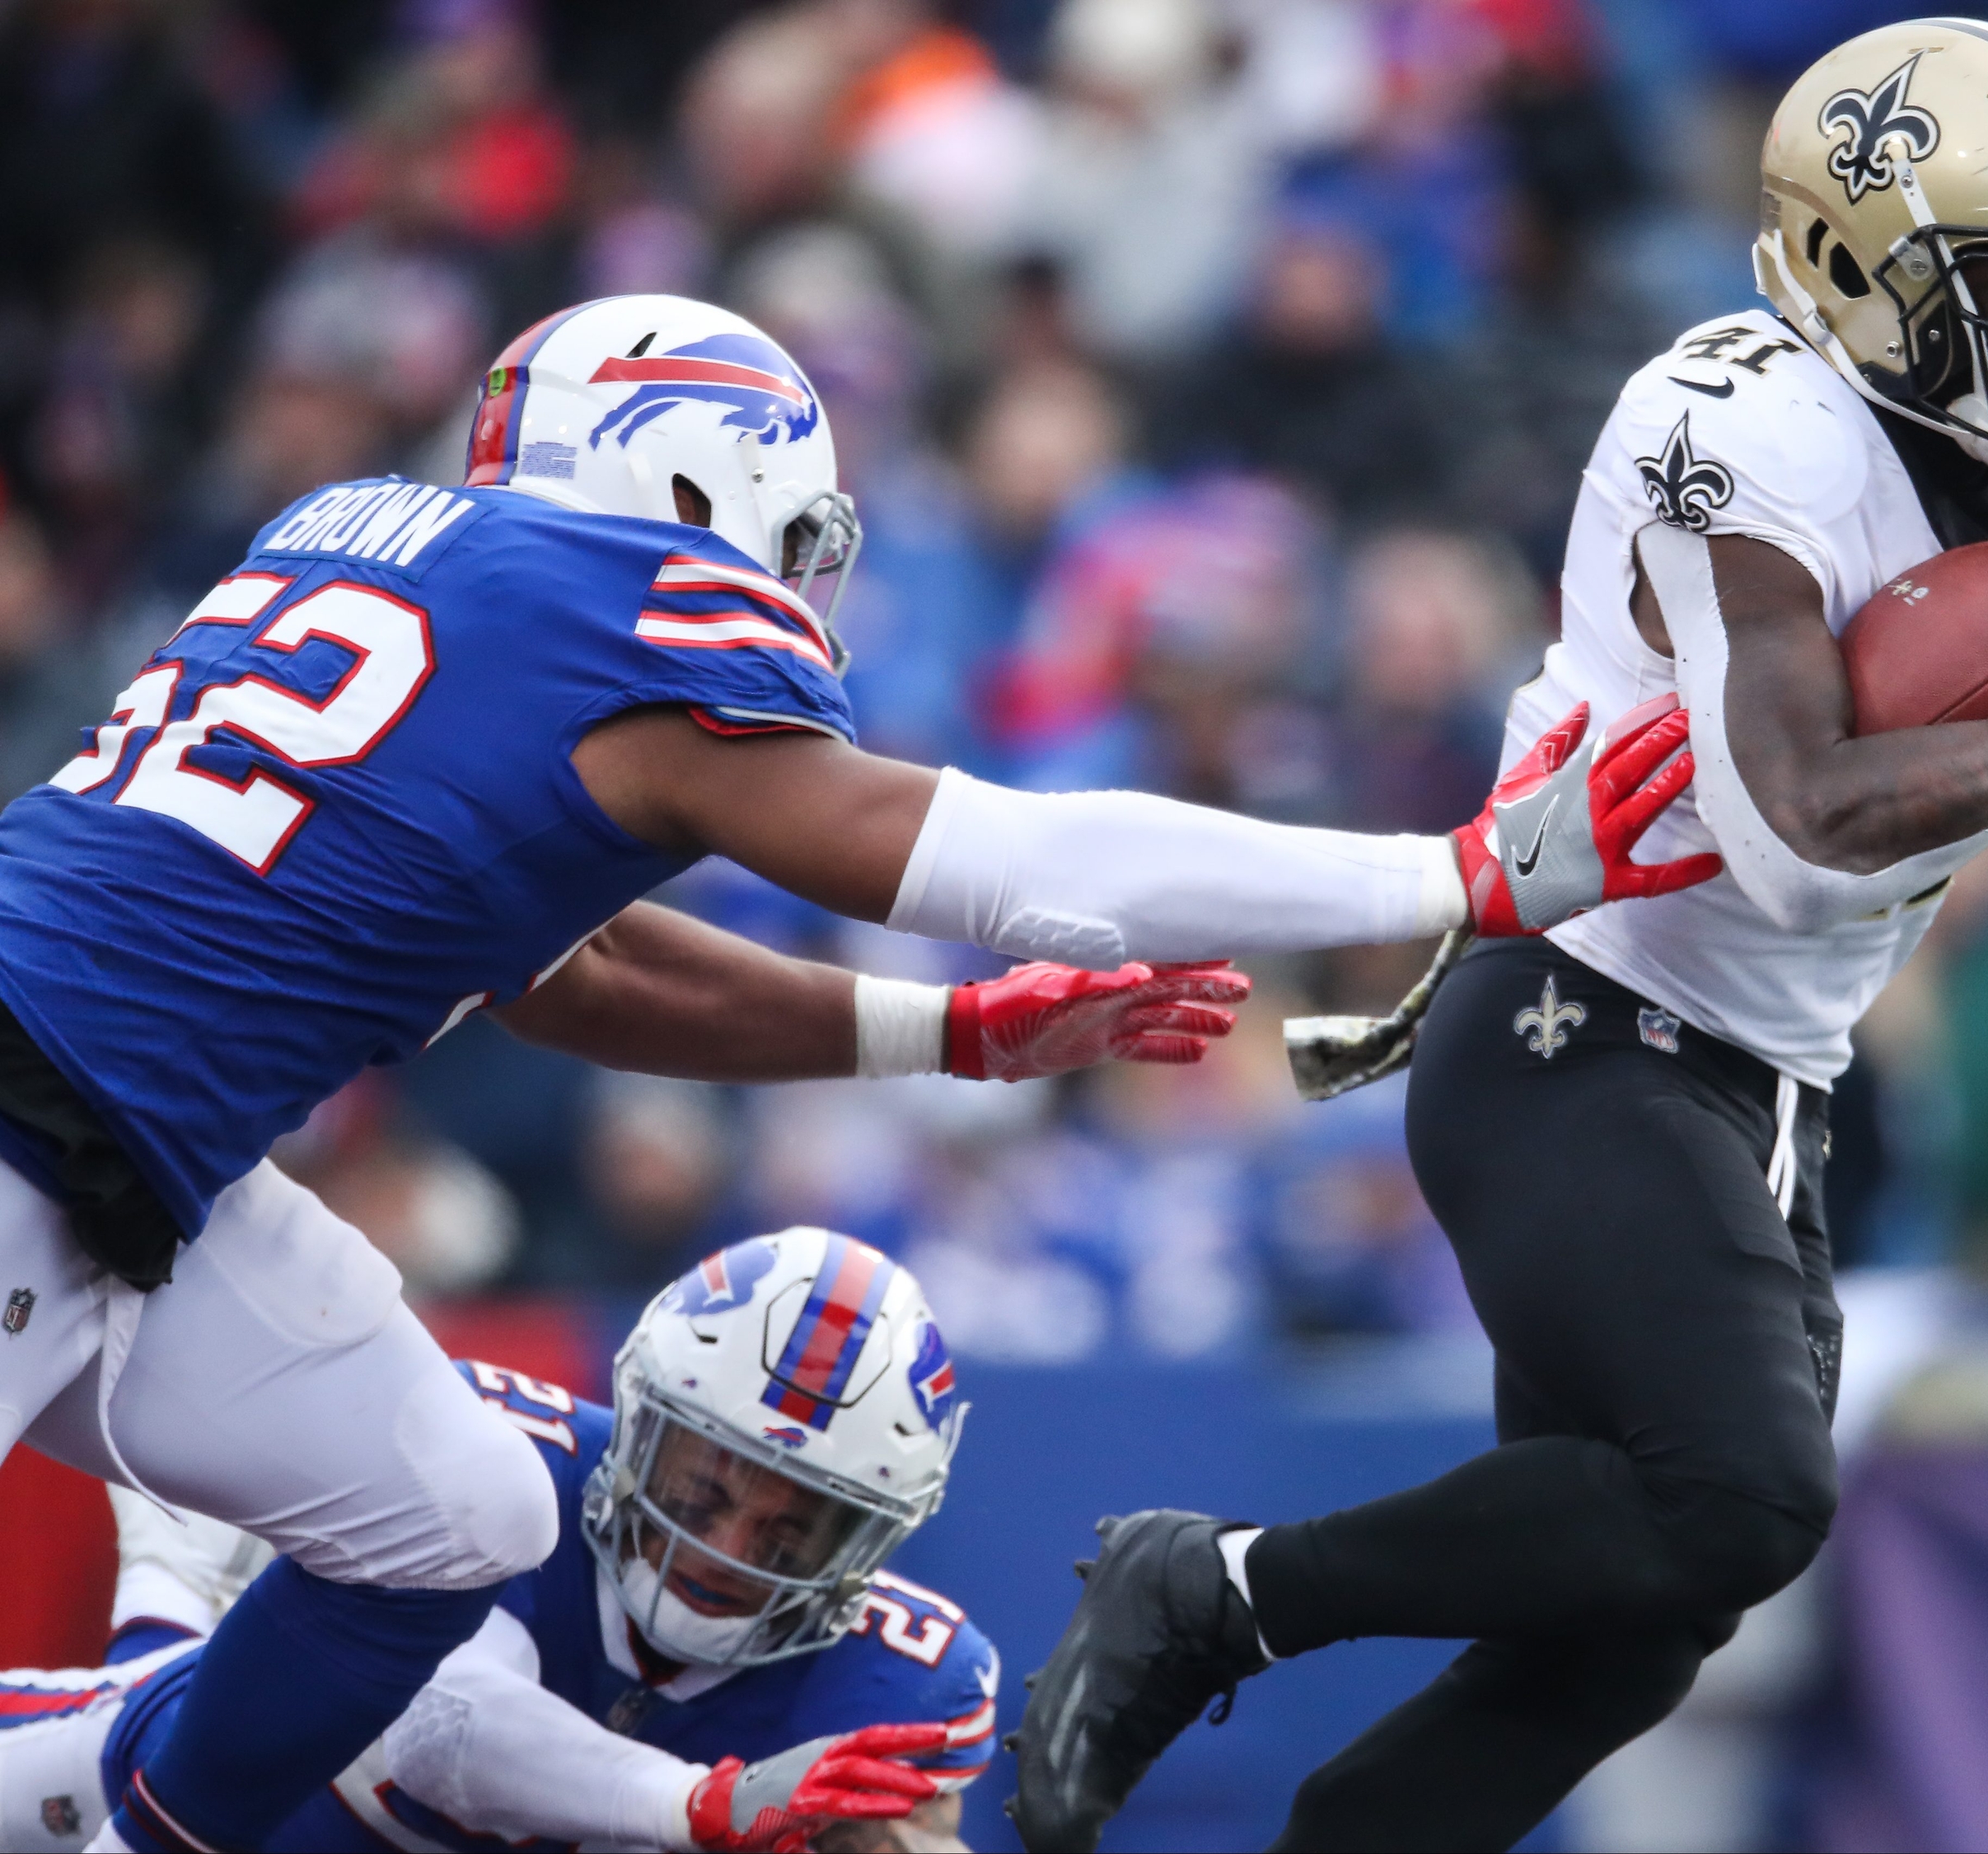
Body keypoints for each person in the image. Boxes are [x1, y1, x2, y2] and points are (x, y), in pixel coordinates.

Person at [0, 289, 1710, 1851]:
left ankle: (136, 1819)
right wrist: (1449, 877)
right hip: (39, 1134)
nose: (797, 577)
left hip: (133, 1154)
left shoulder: (359, 545)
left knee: (445, 1519)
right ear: (690, 484)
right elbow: (1020, 863)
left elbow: (563, 971)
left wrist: (948, 1033)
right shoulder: (621, 607)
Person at [1006, 20, 1988, 1853]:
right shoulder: (1738, 428)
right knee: (1740, 1500)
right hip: (1576, 1014)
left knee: (1630, 1631)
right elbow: (1803, 838)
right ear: (1856, 275)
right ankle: (1219, 1591)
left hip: (1763, 1079)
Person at [0, 1230, 996, 1853]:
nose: (724, 1548)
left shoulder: (901, 1685)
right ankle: (163, 1616)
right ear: (640, 1423)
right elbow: (440, 1727)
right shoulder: (507, 1462)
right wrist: (701, 1805)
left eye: (791, 1531)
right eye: (702, 1489)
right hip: (182, 1788)